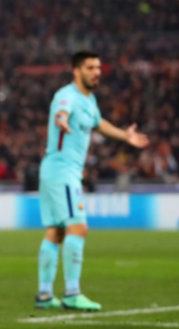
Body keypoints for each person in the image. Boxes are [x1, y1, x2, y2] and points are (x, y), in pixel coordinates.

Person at [36, 51, 149, 311]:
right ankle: (72, 293)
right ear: (76, 71)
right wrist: (61, 120)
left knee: (56, 231)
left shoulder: (89, 100)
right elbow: (62, 111)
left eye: (98, 67)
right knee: (78, 228)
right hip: (62, 171)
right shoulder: (67, 95)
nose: (96, 72)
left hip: (57, 170)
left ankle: (44, 295)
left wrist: (124, 135)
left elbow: (98, 123)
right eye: (90, 68)